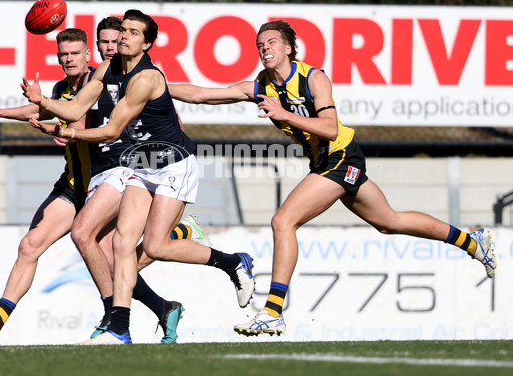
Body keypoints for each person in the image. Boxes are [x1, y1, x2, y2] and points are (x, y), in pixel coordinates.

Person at [168, 19, 497, 337]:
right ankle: (472, 241)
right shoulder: (261, 86)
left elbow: (330, 128)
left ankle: (272, 313)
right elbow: (202, 94)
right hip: (327, 161)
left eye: (271, 43)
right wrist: (158, 88)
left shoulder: (313, 78)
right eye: (260, 45)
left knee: (283, 221)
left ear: (288, 48)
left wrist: (281, 114)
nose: (264, 48)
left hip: (340, 156)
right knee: (389, 222)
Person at [0, 26, 206, 346]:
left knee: (95, 241)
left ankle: (117, 316)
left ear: (90, 55)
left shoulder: (105, 82)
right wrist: (1, 112)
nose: (69, 58)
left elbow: (82, 114)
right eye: (63, 54)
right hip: (75, 182)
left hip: (110, 177)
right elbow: (44, 108)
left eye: (76, 53)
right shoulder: (62, 86)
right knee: (31, 246)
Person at [21, 9, 256, 345]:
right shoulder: (109, 67)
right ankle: (119, 326)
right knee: (121, 244)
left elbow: (110, 130)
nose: (123, 36)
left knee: (157, 246)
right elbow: (75, 110)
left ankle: (233, 262)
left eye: (132, 32)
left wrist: (66, 133)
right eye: (123, 30)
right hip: (142, 165)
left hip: (174, 164)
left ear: (146, 44)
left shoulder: (146, 78)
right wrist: (42, 100)